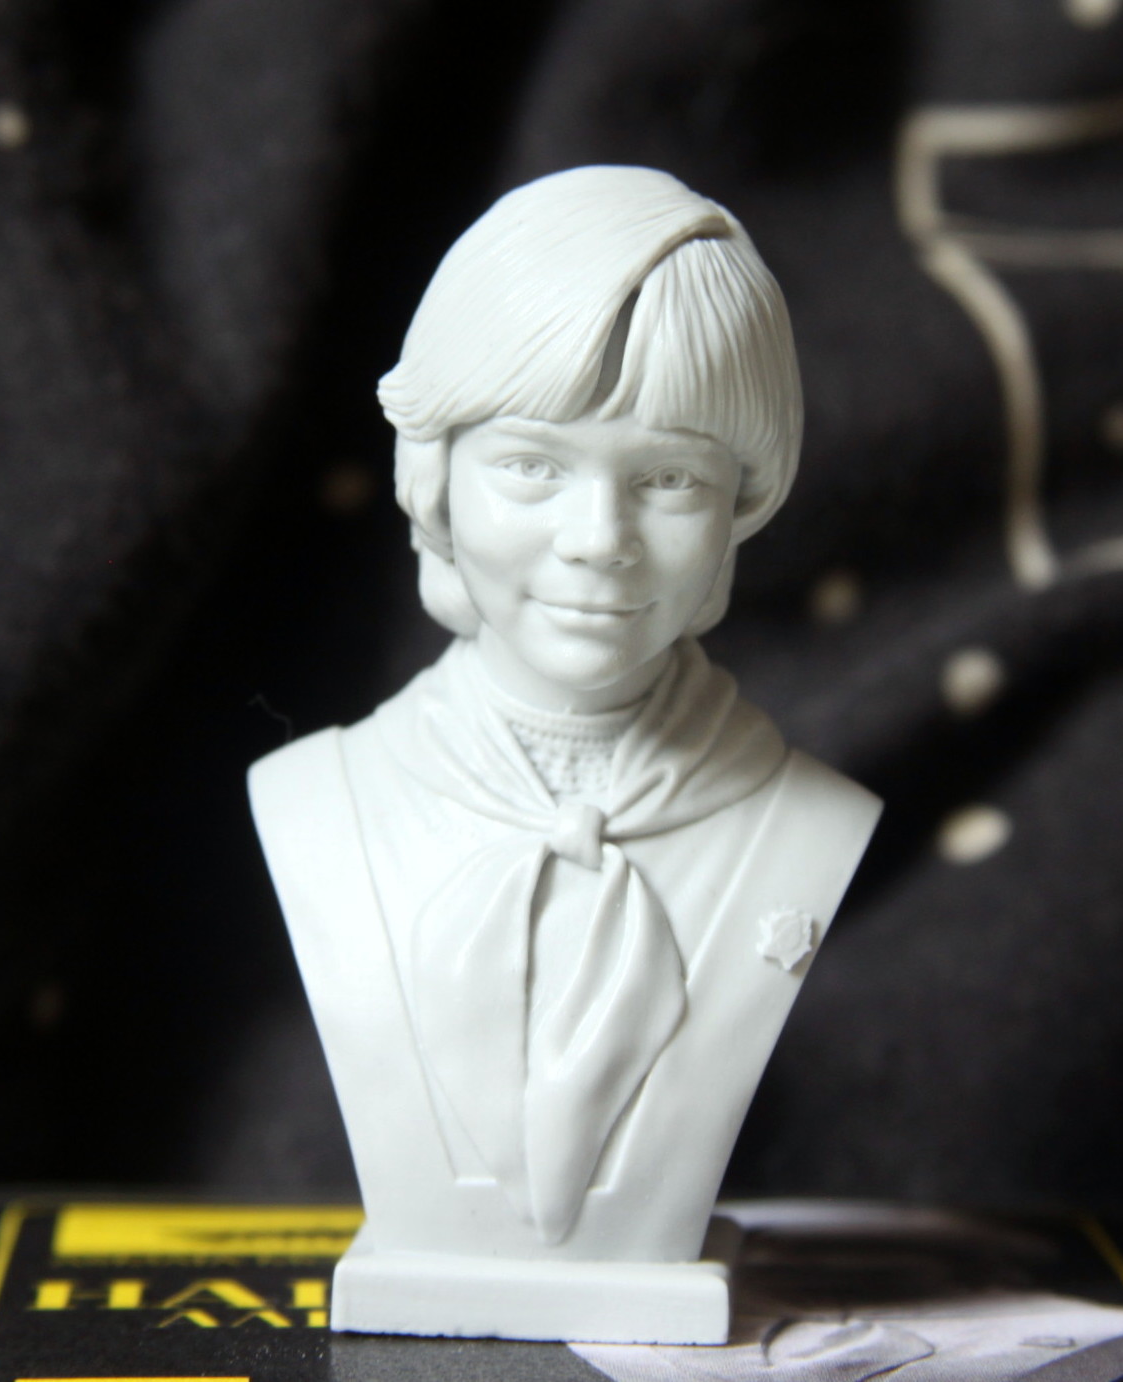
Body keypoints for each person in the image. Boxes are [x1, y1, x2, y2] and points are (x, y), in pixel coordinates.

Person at [248, 166, 881, 1340]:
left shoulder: (806, 823)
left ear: (739, 509)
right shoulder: (318, 803)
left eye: (669, 478)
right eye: (533, 465)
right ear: (435, 482)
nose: (599, 539)